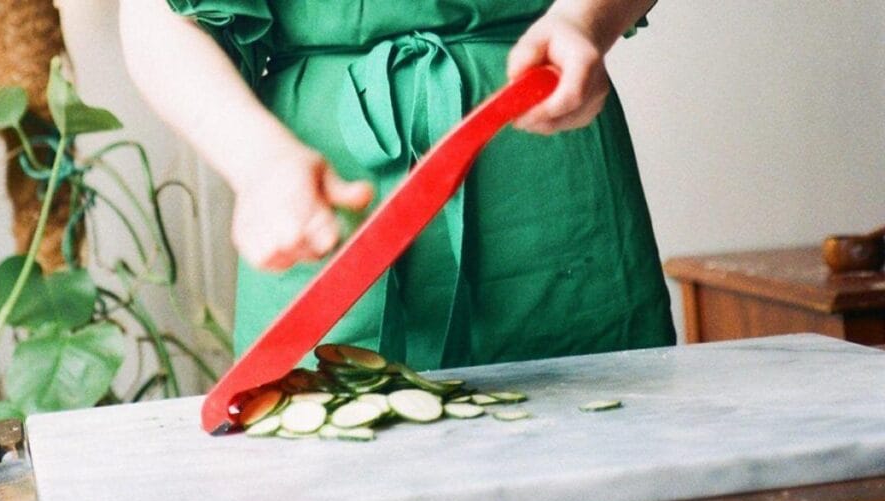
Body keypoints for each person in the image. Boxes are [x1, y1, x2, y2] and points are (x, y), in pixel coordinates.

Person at [119, 0, 674, 371]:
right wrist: (256, 161)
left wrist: (586, 19)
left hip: (543, 167)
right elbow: (159, 13)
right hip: (314, 185)